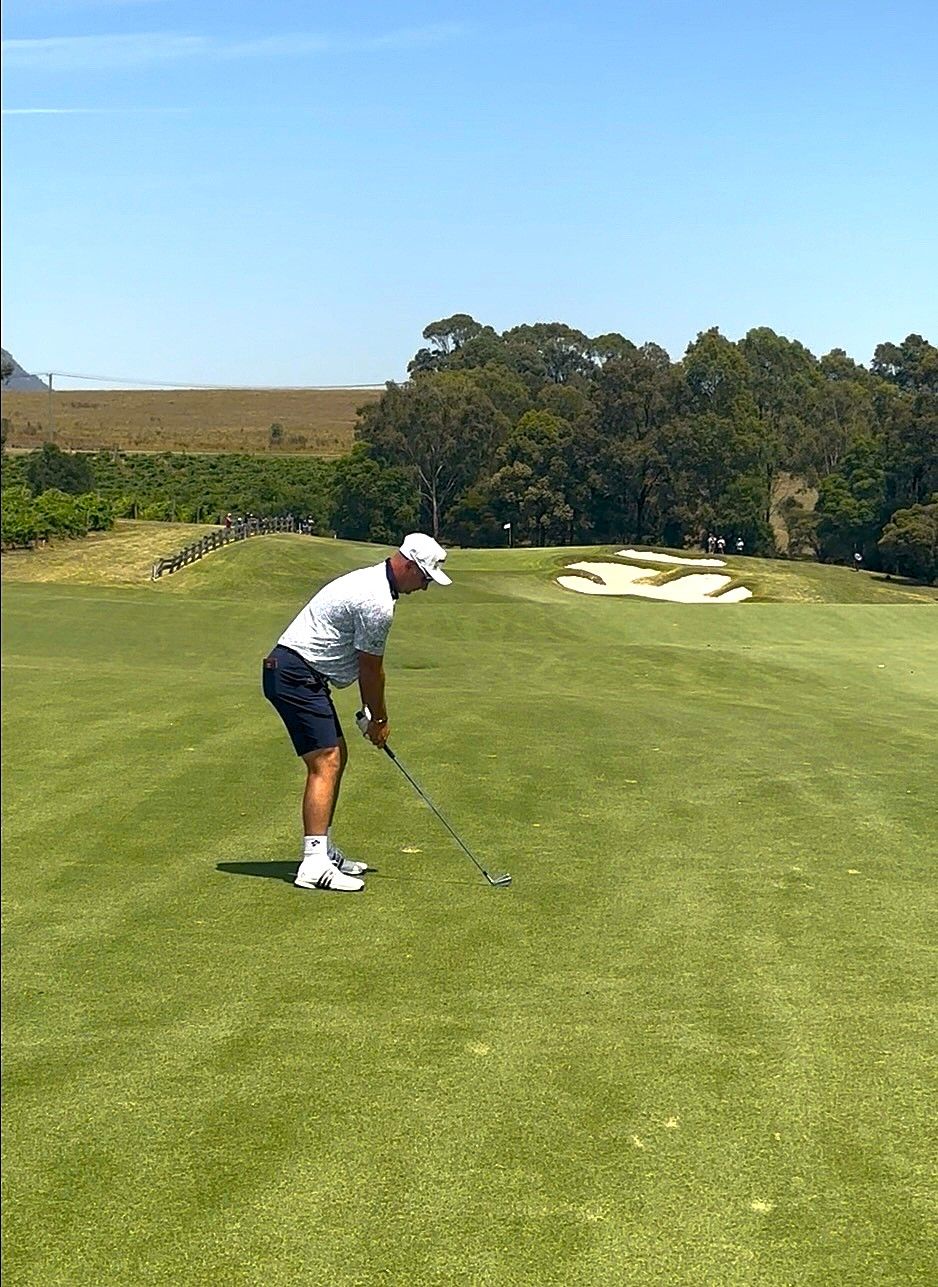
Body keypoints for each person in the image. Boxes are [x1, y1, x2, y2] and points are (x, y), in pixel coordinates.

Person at [263, 533, 452, 892]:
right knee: (327, 760)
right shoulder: (377, 601)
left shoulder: (374, 583)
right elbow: (371, 671)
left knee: (337, 754)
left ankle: (322, 850)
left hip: (301, 674)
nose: (425, 587)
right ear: (408, 566)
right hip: (294, 674)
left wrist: (372, 715)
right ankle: (313, 864)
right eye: (425, 577)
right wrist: (378, 720)